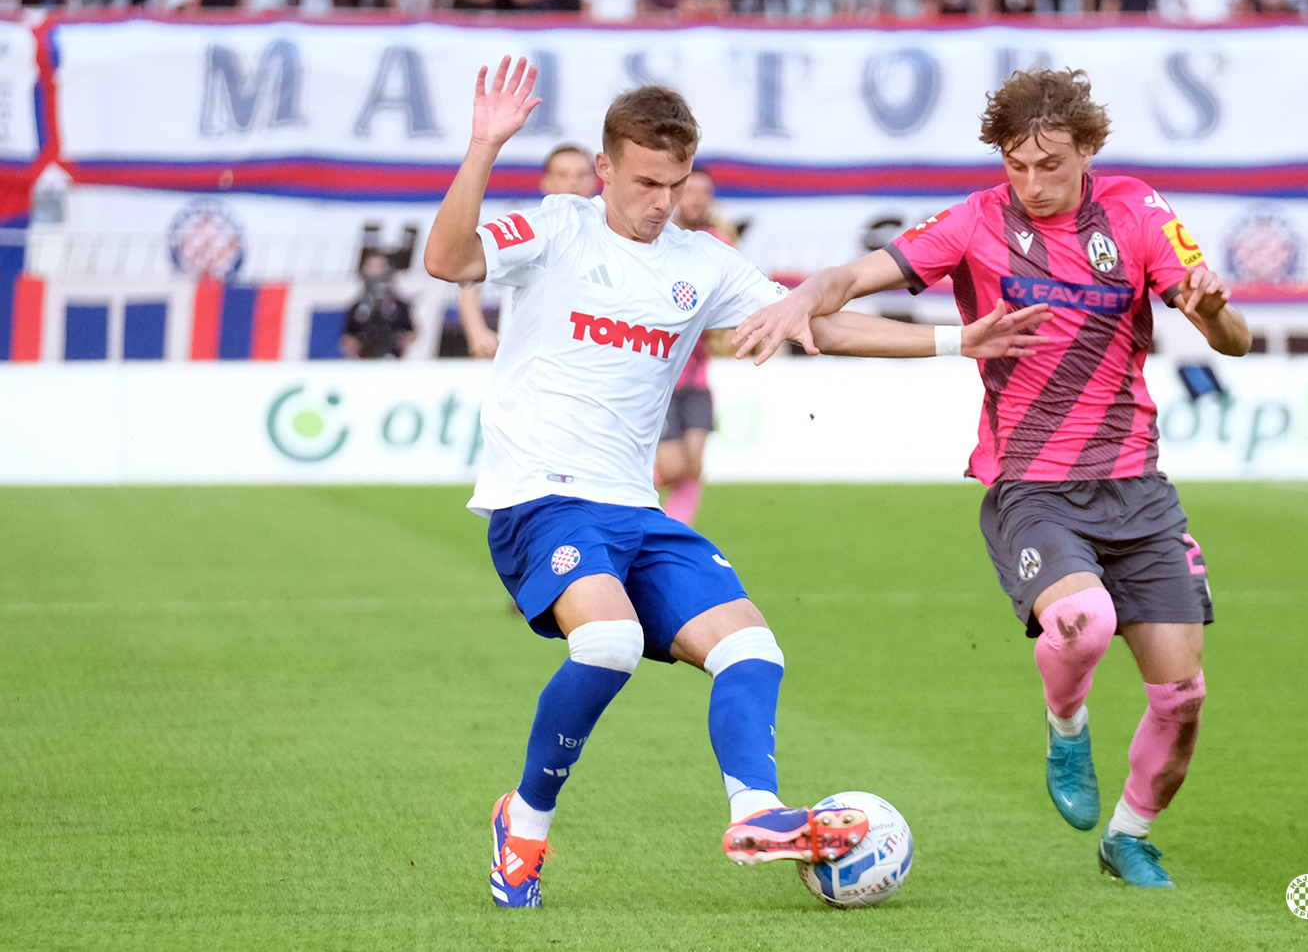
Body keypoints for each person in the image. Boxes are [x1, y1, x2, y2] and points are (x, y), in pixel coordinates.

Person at [421, 56, 1044, 908]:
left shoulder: (701, 261)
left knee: (753, 649)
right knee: (603, 645)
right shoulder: (557, 229)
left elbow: (815, 320)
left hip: (634, 508)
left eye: (674, 184)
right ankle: (522, 829)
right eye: (645, 182)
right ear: (605, 169)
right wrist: (484, 147)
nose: (660, 202)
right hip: (542, 495)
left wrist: (956, 341)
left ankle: (758, 812)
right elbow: (446, 258)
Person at [729, 66, 1253, 889]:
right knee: (1082, 618)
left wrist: (1214, 306)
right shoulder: (975, 222)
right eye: (1017, 165)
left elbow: (1233, 339)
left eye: (1052, 165)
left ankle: (1130, 836)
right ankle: (1065, 722)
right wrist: (806, 300)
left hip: (1138, 488)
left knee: (1182, 697)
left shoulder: (1137, 212)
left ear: (1088, 150)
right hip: (1032, 485)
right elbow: (852, 279)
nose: (1034, 183)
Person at [458, 141, 597, 359]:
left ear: (595, 180)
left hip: (585, 360)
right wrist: (476, 332)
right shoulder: (527, 231)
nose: (573, 182)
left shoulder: (608, 233)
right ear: (547, 182)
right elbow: (469, 273)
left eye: (581, 175)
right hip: (524, 361)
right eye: (563, 174)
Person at [654, 167, 725, 527]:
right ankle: (613, 494)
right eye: (690, 191)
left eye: (704, 192)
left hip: (697, 376)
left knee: (694, 466)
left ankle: (674, 531)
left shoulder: (719, 243)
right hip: (663, 376)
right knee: (673, 465)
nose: (696, 199)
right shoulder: (662, 240)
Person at [341, 249, 416, 358]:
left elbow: (411, 332)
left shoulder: (397, 304)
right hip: (365, 359)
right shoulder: (358, 307)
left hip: (392, 358)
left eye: (380, 266)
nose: (376, 272)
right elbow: (347, 336)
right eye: (371, 266)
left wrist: (403, 344)